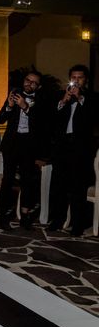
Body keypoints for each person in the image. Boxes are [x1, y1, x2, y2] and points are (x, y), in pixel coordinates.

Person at [48, 64, 98, 236]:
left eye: (80, 78)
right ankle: (56, 220)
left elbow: (93, 120)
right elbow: (51, 121)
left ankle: (77, 225)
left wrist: (81, 99)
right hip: (62, 147)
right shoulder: (61, 97)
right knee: (59, 186)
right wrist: (63, 102)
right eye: (73, 78)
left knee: (78, 188)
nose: (76, 81)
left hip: (80, 149)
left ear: (85, 80)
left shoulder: (92, 98)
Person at [0, 71, 47, 230]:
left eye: (33, 82)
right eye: (27, 80)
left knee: (27, 180)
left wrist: (26, 107)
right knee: (8, 180)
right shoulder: (14, 93)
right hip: (12, 143)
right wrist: (10, 106)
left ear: (38, 86)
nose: (29, 84)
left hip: (29, 144)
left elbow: (42, 124)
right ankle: (4, 216)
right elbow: (0, 119)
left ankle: (25, 215)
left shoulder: (41, 100)